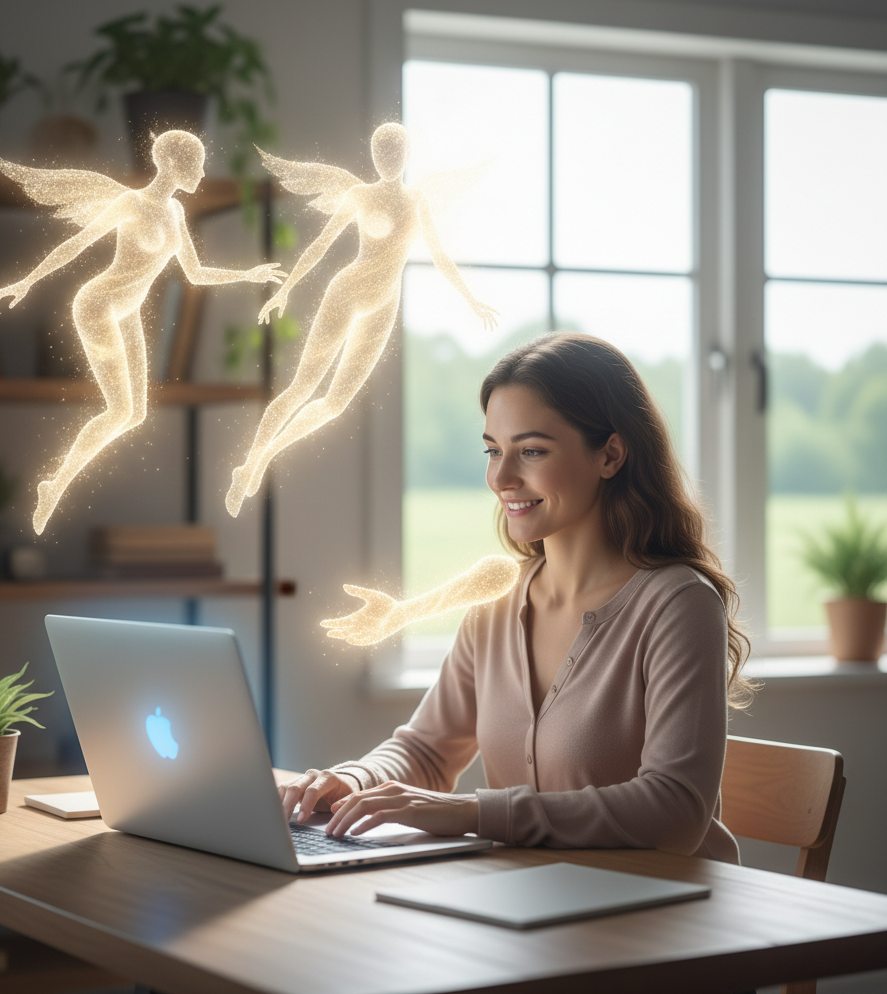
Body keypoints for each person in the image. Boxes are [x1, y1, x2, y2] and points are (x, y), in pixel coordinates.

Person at [280, 332, 754, 863]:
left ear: (611, 455)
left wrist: (472, 813)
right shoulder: (498, 598)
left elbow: (676, 812)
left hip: (668, 914)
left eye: (530, 451)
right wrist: (350, 779)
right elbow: (428, 748)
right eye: (493, 450)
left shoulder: (679, 605)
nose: (501, 477)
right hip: (532, 901)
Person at [0, 130, 285, 534]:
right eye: (194, 164)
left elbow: (194, 273)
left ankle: (53, 485)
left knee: (135, 413)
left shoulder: (176, 212)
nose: (200, 172)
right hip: (97, 306)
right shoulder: (131, 203)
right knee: (119, 410)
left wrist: (248, 274)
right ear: (174, 165)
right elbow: (77, 245)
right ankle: (54, 486)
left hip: (127, 311)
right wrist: (27, 281)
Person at [224, 123, 498, 517]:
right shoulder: (357, 194)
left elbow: (439, 255)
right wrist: (285, 290)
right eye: (380, 153)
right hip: (347, 292)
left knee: (335, 403)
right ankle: (250, 464)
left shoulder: (417, 200)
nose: (386, 160)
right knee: (301, 387)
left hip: (384, 303)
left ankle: (262, 458)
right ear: (373, 157)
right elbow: (320, 246)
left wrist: (471, 299)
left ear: (404, 157)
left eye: (394, 153)